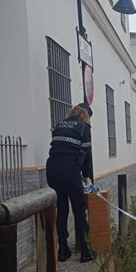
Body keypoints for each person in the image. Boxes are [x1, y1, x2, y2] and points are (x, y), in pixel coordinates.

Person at [46, 103, 94, 263]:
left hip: (52, 170)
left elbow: (60, 148)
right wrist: (87, 176)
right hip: (70, 171)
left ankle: (62, 250)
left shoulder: (59, 125)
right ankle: (85, 252)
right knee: (79, 210)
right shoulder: (84, 128)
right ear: (85, 116)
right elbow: (87, 155)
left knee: (62, 210)